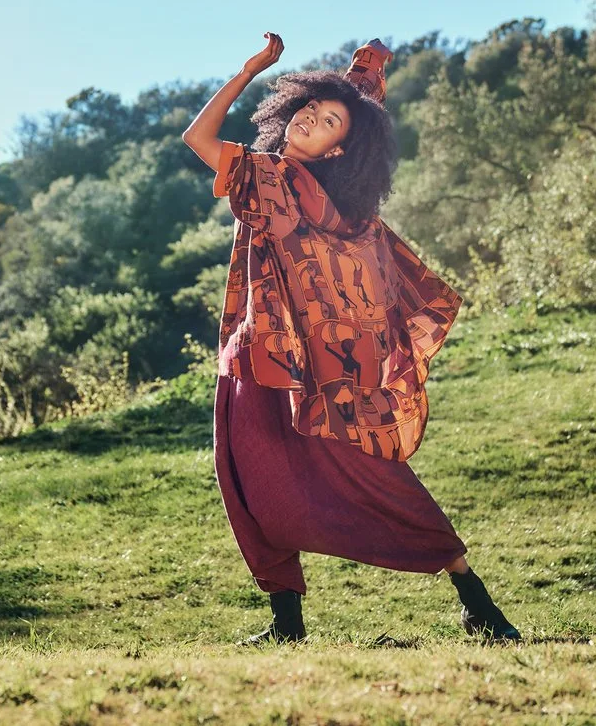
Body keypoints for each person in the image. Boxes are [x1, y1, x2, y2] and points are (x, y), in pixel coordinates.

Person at [182, 32, 522, 646]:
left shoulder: (298, 191)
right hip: (260, 355)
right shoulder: (290, 185)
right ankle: (288, 623)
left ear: (339, 151)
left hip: (300, 365)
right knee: (254, 479)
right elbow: (211, 137)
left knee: (357, 476)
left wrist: (258, 71)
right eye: (309, 109)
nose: (310, 119)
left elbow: (199, 139)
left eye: (328, 123)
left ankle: (475, 600)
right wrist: (339, 77)